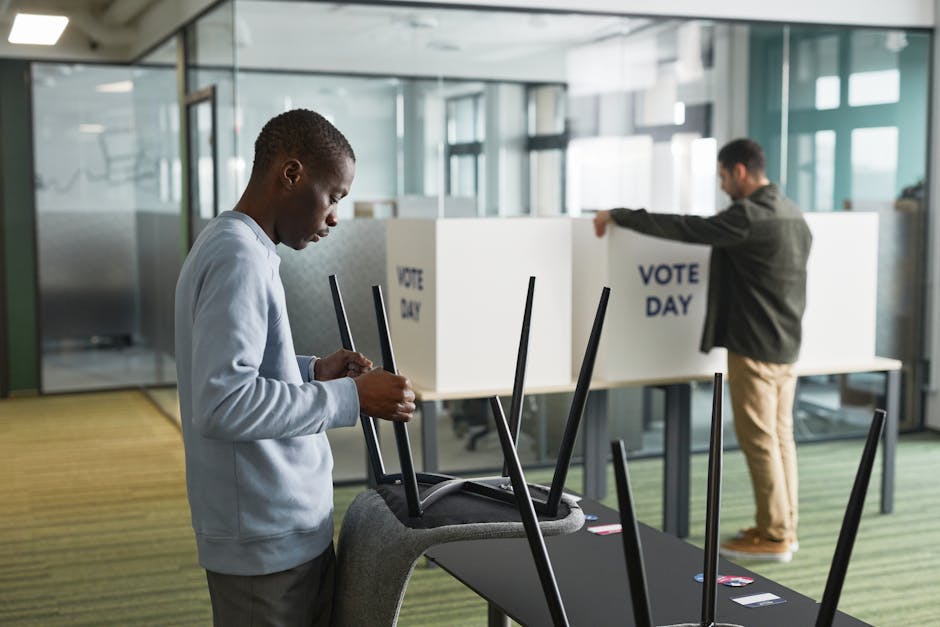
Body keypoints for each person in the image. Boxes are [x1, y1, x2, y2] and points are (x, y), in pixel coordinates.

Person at [175, 108, 416, 625]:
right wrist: (354, 398)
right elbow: (222, 403)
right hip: (263, 541)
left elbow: (236, 373)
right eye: (333, 197)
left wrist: (310, 372)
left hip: (280, 527)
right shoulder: (236, 256)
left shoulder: (243, 248)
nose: (333, 218)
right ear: (290, 174)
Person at [594, 138, 811, 563]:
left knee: (760, 441)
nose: (722, 184)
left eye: (723, 176)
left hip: (754, 345)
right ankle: (783, 525)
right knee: (781, 439)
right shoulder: (792, 213)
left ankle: (774, 536)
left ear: (741, 171)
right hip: (787, 345)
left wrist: (619, 215)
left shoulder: (748, 217)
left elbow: (686, 228)